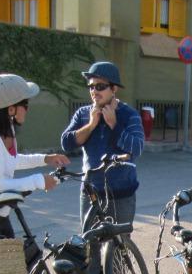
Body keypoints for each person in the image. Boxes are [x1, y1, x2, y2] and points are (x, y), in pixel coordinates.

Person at [0, 73, 69, 240]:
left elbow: (12, 161)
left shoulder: (7, 131)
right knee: (1, 265)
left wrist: (45, 159)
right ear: (11, 109)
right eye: (25, 104)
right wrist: (39, 181)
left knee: (16, 262)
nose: (27, 109)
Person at [60, 61, 145, 231]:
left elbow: (137, 148)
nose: (94, 91)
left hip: (122, 194)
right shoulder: (84, 114)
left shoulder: (129, 115)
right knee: (91, 248)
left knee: (119, 249)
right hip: (91, 193)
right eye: (91, 86)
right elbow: (66, 143)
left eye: (100, 86)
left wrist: (114, 124)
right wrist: (91, 125)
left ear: (114, 89)